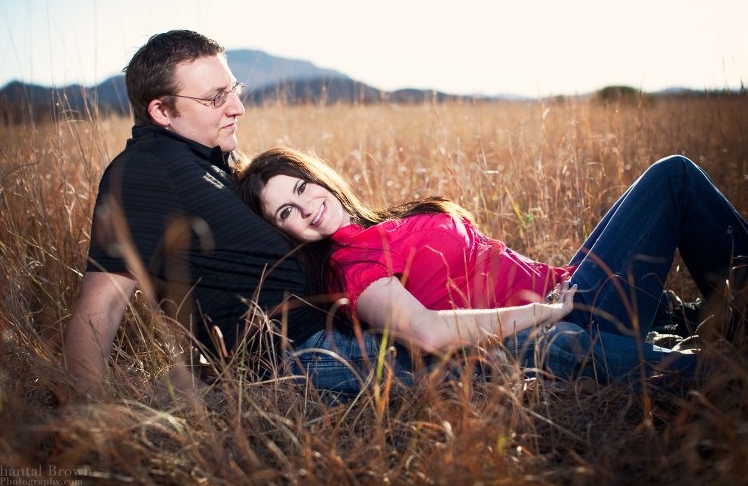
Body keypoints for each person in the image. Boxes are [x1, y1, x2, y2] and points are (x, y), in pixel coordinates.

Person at [238, 147, 748, 391]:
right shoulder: (351, 266)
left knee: (672, 180)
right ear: (282, 232)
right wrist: (546, 313)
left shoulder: (379, 226)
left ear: (317, 177)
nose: (304, 208)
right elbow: (429, 333)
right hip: (576, 315)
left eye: (301, 188)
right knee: (672, 177)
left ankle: (717, 317)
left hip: (570, 286)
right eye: (285, 212)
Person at [63, 30, 325, 396]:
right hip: (308, 358)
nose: (237, 107)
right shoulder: (145, 169)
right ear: (162, 111)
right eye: (215, 98)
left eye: (234, 89)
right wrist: (86, 416)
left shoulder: (210, 160)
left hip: (332, 334)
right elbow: (102, 305)